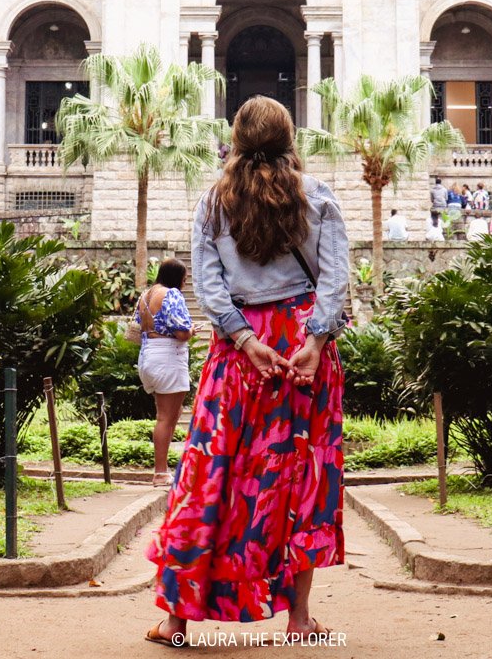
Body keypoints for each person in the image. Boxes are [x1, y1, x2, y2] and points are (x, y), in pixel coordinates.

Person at [148, 96, 346, 644]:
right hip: (304, 346)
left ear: (236, 139)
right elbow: (334, 279)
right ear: (290, 138)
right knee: (302, 474)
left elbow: (208, 285)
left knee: (212, 472)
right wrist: (315, 339)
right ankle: (301, 619)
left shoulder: (214, 203)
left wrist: (244, 338)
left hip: (240, 352)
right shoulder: (319, 197)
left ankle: (177, 619)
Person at [135, 259, 194, 487]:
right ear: (175, 276)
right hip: (168, 356)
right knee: (166, 417)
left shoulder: (146, 295)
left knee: (169, 414)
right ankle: (160, 472)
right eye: (184, 278)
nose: (185, 282)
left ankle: (163, 469)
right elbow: (181, 333)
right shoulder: (171, 294)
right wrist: (190, 331)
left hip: (148, 354)